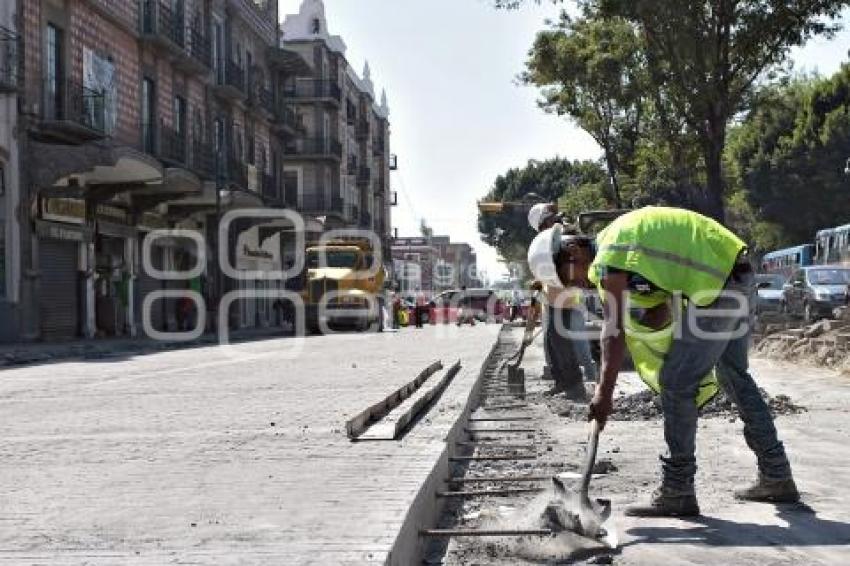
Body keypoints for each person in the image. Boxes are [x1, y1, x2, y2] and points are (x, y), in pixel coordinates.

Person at [527, 206, 799, 517]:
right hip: (736, 273)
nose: (578, 287)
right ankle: (777, 474)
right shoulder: (616, 243)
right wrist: (660, 306)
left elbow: (612, 333)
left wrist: (603, 393)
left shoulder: (608, 260)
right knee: (733, 374)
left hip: (717, 286)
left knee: (677, 382)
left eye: (569, 279)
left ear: (573, 250)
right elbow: (667, 270)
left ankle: (677, 490)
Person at [527, 204, 598, 399]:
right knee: (553, 341)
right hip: (554, 295)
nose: (554, 219)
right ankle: (563, 382)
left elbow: (569, 263)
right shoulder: (549, 237)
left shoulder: (565, 232)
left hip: (567, 297)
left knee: (566, 341)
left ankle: (577, 385)